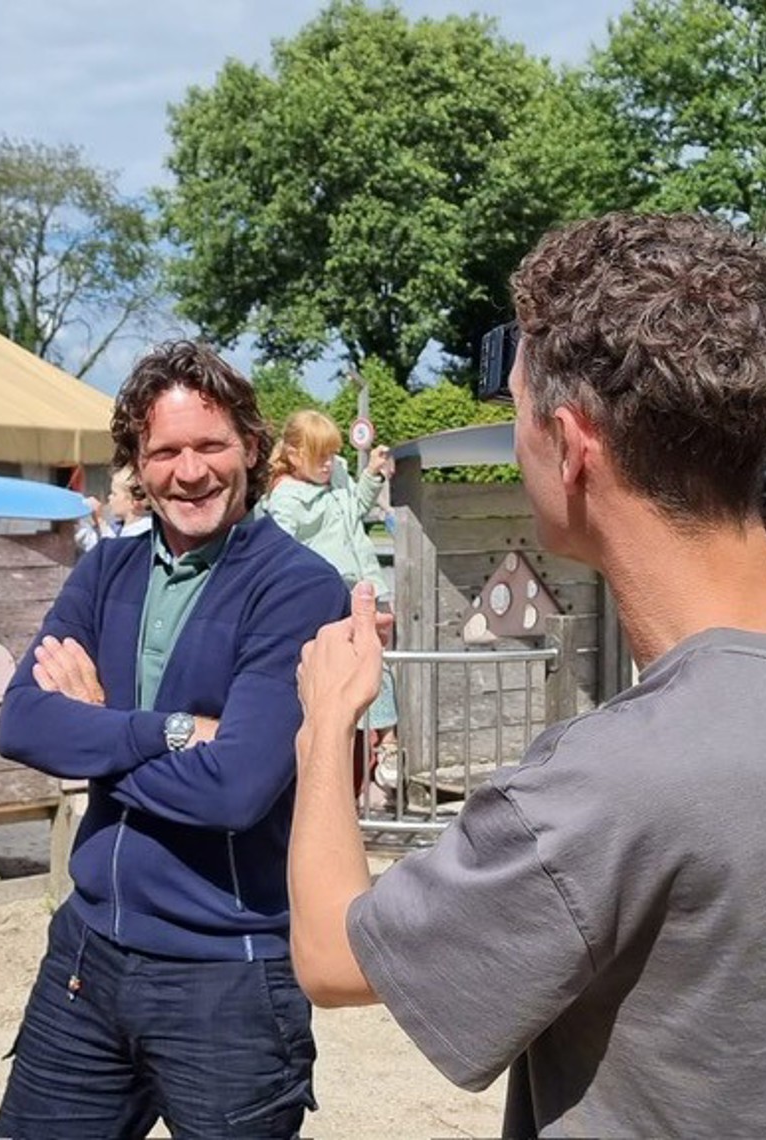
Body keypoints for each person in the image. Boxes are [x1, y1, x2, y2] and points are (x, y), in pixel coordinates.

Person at [289, 211, 766, 1138]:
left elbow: (331, 954)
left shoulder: (609, 785)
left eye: (515, 415)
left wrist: (324, 727)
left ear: (573, 445)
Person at [0, 340, 349, 1139]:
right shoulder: (103, 573)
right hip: (87, 953)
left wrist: (92, 736)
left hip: (227, 973)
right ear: (138, 465)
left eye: (212, 445)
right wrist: (170, 732)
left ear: (251, 449)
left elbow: (237, 787)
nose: (191, 472)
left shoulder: (298, 587)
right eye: (166, 452)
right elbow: (19, 723)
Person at [263, 410, 397, 793]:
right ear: (293, 452)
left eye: (331, 454)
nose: (328, 463)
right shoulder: (285, 497)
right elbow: (279, 551)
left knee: (380, 664)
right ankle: (371, 750)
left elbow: (355, 509)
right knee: (355, 669)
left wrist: (370, 474)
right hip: (327, 597)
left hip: (366, 584)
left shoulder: (337, 469)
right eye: (319, 455)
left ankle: (383, 745)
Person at [75, 464, 152, 551]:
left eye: (114, 494)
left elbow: (111, 554)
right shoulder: (123, 527)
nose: (109, 497)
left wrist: (100, 519)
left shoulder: (143, 534)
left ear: (134, 501)